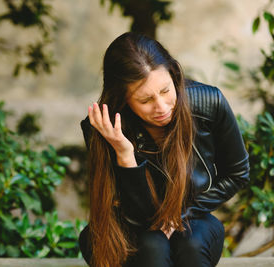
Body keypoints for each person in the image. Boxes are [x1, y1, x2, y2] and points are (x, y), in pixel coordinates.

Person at [78, 32, 250, 267]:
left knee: (190, 242)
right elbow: (137, 216)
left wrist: (179, 215)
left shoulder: (209, 103)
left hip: (195, 219)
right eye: (145, 100)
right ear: (123, 99)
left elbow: (237, 173)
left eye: (166, 91)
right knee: (152, 244)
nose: (161, 107)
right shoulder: (104, 127)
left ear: (174, 75)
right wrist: (124, 153)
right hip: (131, 228)